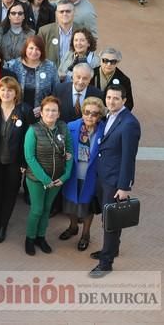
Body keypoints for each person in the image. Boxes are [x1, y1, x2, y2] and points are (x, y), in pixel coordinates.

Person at [89, 84, 141, 278]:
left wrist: (124, 186)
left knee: (110, 221)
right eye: (109, 97)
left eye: (116, 99)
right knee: (107, 217)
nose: (111, 101)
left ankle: (106, 263)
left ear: (124, 101)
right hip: (103, 176)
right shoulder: (109, 116)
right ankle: (111, 250)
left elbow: (129, 157)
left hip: (114, 181)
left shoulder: (129, 124)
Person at [0, 77, 33, 243]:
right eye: (3, 89)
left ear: (16, 92)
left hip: (14, 161)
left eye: (10, 90)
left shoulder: (24, 110)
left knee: (9, 194)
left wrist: (25, 163)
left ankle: (2, 226)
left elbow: (30, 138)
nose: (6, 93)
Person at [23, 96, 73, 256]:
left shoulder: (63, 128)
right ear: (41, 113)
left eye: (54, 111)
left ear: (59, 114)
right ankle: (30, 238)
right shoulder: (33, 130)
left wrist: (65, 176)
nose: (51, 113)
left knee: (46, 209)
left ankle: (41, 237)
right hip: (37, 179)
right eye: (47, 110)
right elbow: (29, 157)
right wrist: (45, 179)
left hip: (57, 179)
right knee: (37, 209)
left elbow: (70, 153)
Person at [61, 97, 105, 252]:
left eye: (94, 114)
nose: (90, 116)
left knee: (87, 208)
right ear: (82, 112)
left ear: (99, 116)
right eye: (87, 112)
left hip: (91, 177)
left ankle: (85, 234)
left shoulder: (104, 131)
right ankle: (73, 227)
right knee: (69, 205)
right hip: (73, 174)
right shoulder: (71, 126)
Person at [6, 36, 59, 118]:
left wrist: (44, 107)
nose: (34, 52)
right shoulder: (13, 66)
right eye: (31, 48)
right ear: (25, 49)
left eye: (38, 49)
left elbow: (56, 92)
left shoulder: (50, 67)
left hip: (42, 115)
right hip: (16, 114)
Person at [37, 0, 80, 68]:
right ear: (56, 14)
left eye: (68, 11)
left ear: (74, 12)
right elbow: (37, 54)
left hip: (75, 75)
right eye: (61, 12)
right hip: (51, 73)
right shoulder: (44, 31)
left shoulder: (82, 31)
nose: (64, 14)